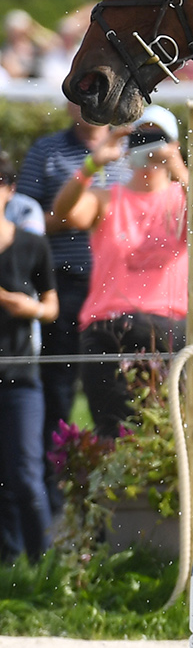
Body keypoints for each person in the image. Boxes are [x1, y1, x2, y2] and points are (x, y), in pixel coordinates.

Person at [49, 106, 188, 438]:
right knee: (112, 434)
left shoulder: (185, 197)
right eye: (141, 138)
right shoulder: (106, 198)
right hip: (108, 329)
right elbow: (63, 213)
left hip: (169, 328)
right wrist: (94, 162)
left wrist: (180, 171)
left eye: (159, 138)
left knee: (172, 437)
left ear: (174, 145)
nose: (150, 147)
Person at [17, 103, 132, 497]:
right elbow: (25, 224)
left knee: (117, 394)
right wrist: (74, 212)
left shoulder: (135, 150)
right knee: (59, 389)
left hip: (119, 292)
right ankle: (51, 490)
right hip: (66, 284)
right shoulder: (46, 152)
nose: (88, 108)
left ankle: (114, 489)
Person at [0, 152, 58, 563]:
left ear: (9, 191)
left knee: (25, 472)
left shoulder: (32, 244)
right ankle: (8, 559)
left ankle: (44, 566)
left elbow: (52, 307)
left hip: (21, 377)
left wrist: (28, 307)